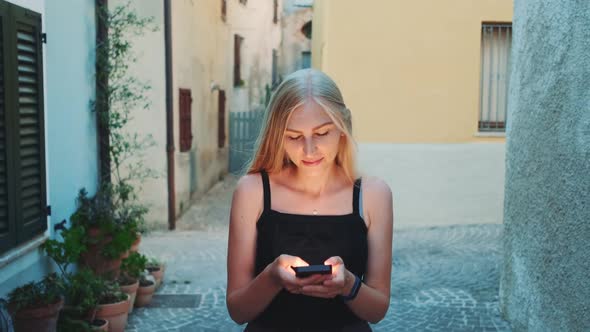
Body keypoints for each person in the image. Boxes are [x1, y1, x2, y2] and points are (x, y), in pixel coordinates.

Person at [226, 69, 393, 332]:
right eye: (293, 136)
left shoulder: (373, 195)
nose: (309, 149)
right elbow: (237, 310)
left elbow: (378, 309)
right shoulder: (252, 191)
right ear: (277, 135)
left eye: (322, 132)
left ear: (342, 128)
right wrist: (272, 277)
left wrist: (348, 284)